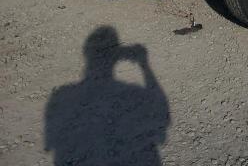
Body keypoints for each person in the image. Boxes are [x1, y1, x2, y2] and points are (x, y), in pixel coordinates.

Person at [45, 26, 170, 165]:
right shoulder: (134, 92)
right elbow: (162, 117)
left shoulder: (62, 96)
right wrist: (144, 65)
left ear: (86, 53)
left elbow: (51, 144)